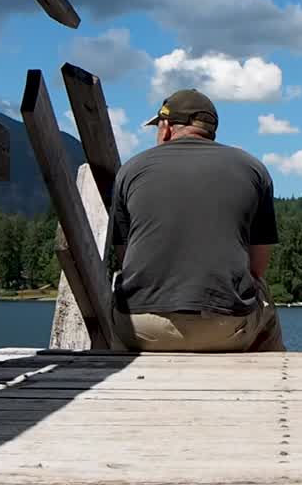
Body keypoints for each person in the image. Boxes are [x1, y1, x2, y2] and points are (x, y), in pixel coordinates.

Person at [107, 88, 284, 352]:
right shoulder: (253, 169)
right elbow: (257, 267)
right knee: (262, 294)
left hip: (142, 329)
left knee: (119, 291)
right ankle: (272, 385)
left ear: (166, 127)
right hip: (225, 329)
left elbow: (127, 260)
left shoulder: (130, 170)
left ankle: (119, 383)